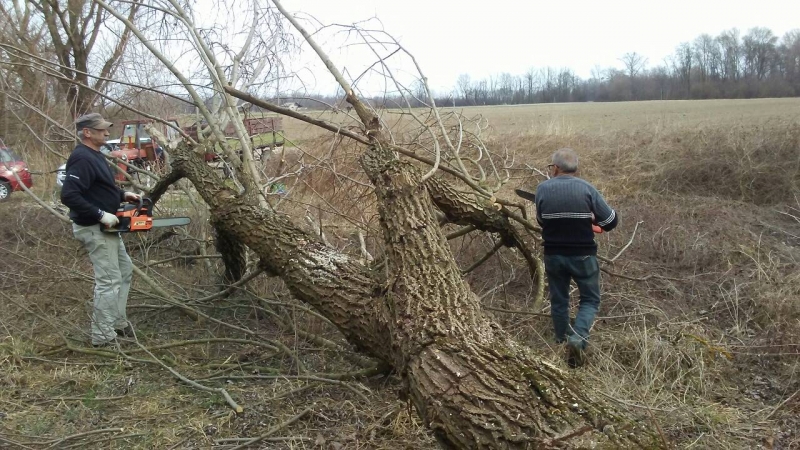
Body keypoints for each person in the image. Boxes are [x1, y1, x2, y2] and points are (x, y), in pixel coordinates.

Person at [533, 148, 618, 367]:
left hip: (553, 255)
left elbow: (542, 221)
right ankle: (578, 339)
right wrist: (590, 218)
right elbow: (610, 222)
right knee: (590, 299)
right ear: (575, 169)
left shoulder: (542, 189)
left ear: (556, 168)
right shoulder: (587, 189)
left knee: (559, 300)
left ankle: (562, 341)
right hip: (583, 255)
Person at [61, 113, 140, 347]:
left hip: (107, 227)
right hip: (95, 227)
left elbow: (97, 188)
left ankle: (116, 321)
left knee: (124, 271)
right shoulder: (82, 158)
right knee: (109, 280)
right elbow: (69, 195)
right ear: (87, 132)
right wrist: (100, 214)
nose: (107, 133)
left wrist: (122, 195)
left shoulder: (96, 155)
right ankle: (102, 335)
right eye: (102, 129)